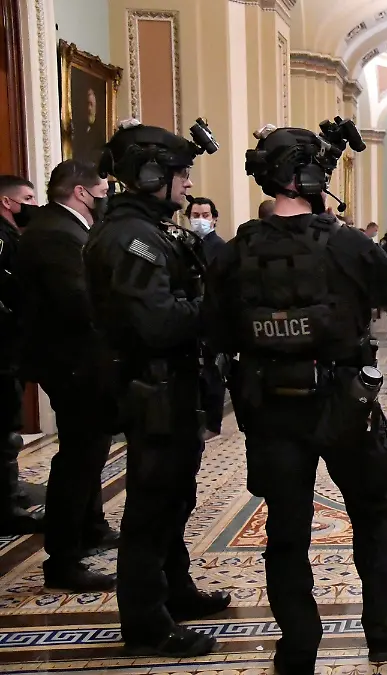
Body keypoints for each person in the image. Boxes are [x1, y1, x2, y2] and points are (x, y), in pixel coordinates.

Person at [204, 121, 387, 675]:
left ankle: (297, 648)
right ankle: (385, 629)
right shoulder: (346, 243)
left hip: (268, 405)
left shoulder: (236, 250)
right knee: (370, 518)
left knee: (285, 530)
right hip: (342, 401)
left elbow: (214, 327)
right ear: (314, 175)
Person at [83, 119, 229, 657]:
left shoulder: (151, 230)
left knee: (176, 498)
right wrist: (213, 310)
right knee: (151, 508)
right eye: (180, 174)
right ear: (150, 176)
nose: (188, 185)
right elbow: (158, 323)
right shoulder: (130, 239)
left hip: (173, 387)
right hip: (152, 389)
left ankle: (176, 592)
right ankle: (146, 623)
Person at [15, 160, 119, 590]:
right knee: (79, 458)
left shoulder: (62, 227)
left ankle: (91, 527)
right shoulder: (57, 233)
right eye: (103, 189)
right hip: (73, 363)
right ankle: (63, 558)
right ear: (81, 191)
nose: (106, 196)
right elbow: (78, 301)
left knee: (91, 453)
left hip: (78, 360)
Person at [0, 175, 40, 534]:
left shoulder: (14, 237)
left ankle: (10, 496)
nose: (33, 203)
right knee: (5, 431)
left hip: (12, 346)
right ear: (7, 202)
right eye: (27, 197)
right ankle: (7, 504)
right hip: (2, 348)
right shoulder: (1, 239)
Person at [185, 197, 229, 441]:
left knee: (213, 372)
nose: (199, 220)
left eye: (204, 215)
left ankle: (212, 422)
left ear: (214, 219)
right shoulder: (186, 244)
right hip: (190, 314)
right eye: (195, 215)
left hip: (212, 315)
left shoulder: (219, 248)